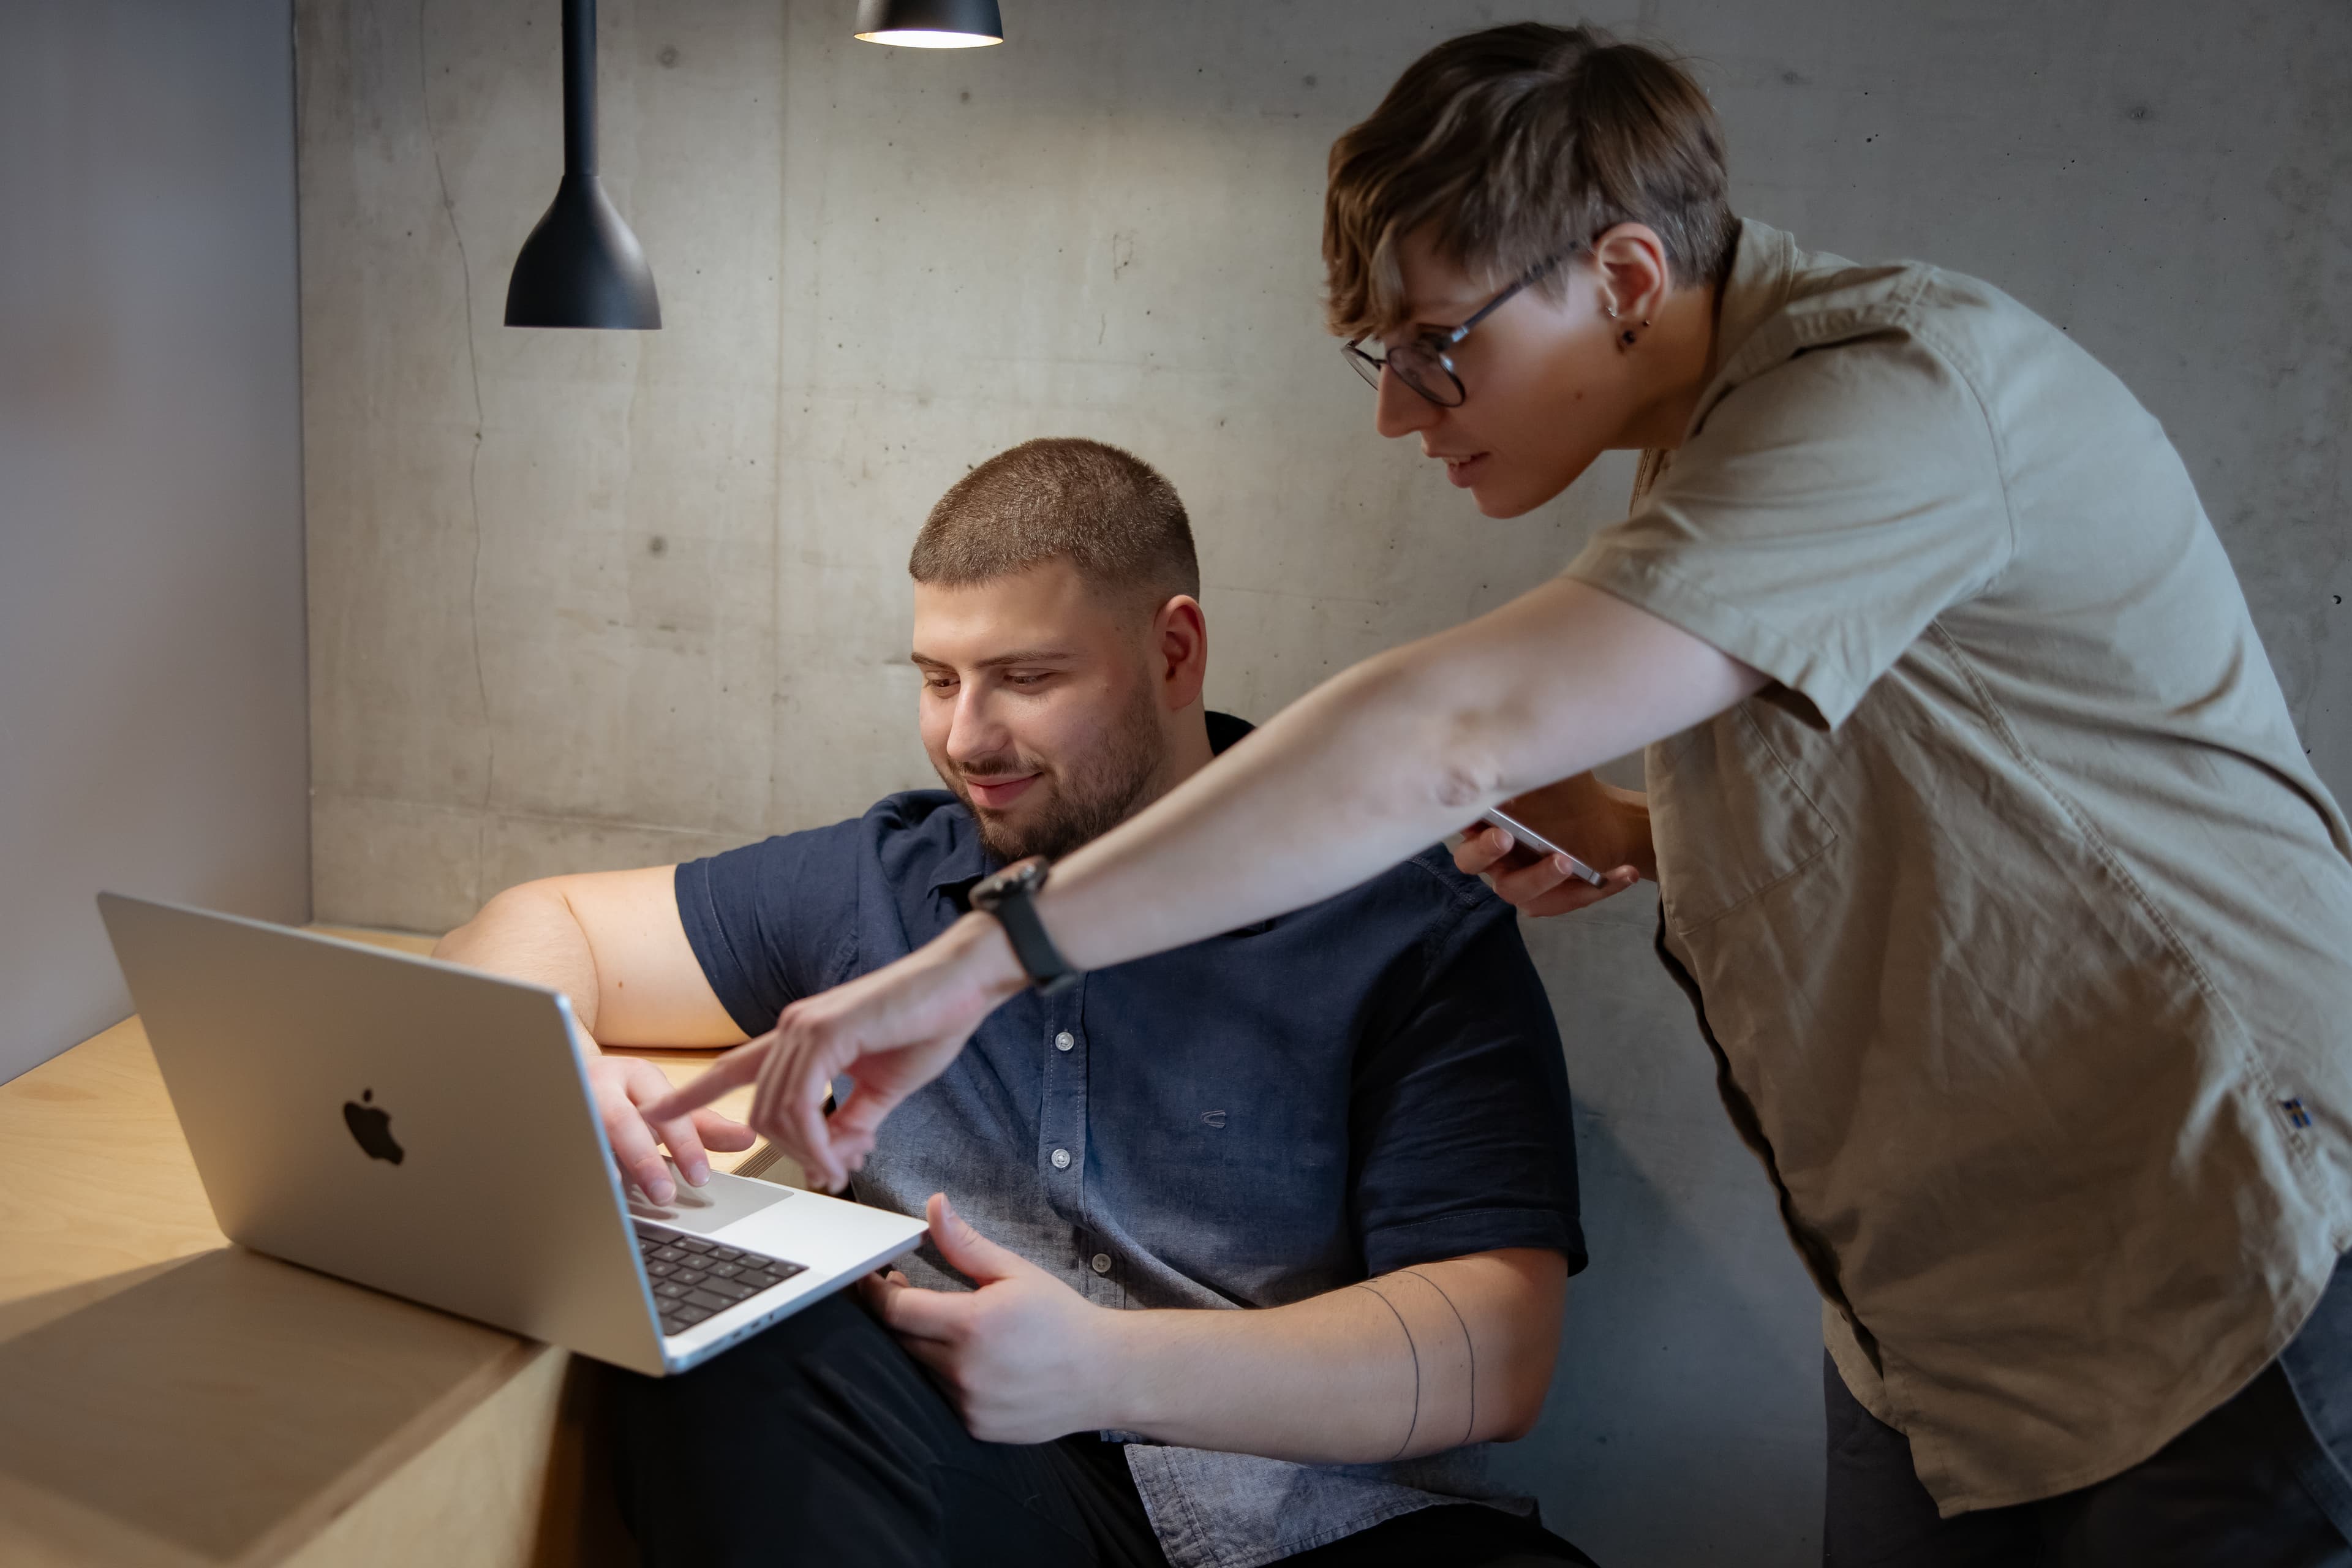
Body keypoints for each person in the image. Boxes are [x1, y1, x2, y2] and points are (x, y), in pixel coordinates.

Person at [648, 23, 2352, 1568]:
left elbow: (1450, 726)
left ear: (1624, 272)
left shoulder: (1894, 396)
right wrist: (1635, 834)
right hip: (1937, 1315)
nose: (1399, 412)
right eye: (1375, 355)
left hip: (2217, 1252)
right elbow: (1950, 797)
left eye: (1436, 347)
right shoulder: (1720, 460)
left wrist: (975, 962)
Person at [436, 437, 1599, 1568]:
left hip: (1330, 1521)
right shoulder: (886, 882)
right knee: (742, 1339)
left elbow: (1497, 1352)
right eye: (938, 680)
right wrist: (555, 1064)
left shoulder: (1404, 916)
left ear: (1175, 652)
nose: (965, 737)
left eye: (1027, 679)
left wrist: (1103, 1368)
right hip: (982, 1483)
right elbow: (542, 921)